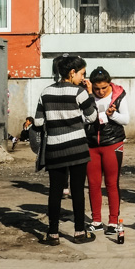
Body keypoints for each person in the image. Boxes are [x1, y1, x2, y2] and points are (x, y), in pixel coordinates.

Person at [32, 55, 98, 246]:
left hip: (55, 149)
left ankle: (52, 234)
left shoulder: (45, 92)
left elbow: (38, 122)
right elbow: (92, 117)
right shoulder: (79, 92)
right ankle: (79, 232)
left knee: (55, 191)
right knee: (77, 191)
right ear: (72, 72)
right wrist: (90, 94)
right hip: (77, 148)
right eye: (82, 73)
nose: (83, 77)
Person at [85, 67, 129, 235]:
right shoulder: (86, 95)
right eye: (96, 88)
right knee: (93, 183)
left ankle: (112, 221)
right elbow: (82, 117)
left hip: (112, 142)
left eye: (104, 88)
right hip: (91, 144)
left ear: (109, 84)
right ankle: (96, 220)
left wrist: (113, 116)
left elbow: (126, 119)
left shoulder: (118, 94)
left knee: (112, 183)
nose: (101, 91)